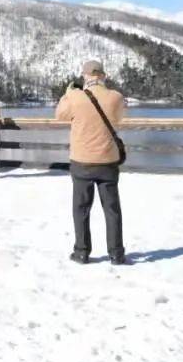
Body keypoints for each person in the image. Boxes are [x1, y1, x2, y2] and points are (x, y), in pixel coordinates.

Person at [55, 60, 128, 265]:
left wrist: (67, 93)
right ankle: (116, 253)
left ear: (85, 75)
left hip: (82, 161)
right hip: (108, 161)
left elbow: (59, 115)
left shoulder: (75, 97)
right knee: (112, 210)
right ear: (103, 75)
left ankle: (82, 251)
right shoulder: (115, 97)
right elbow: (120, 118)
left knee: (81, 209)